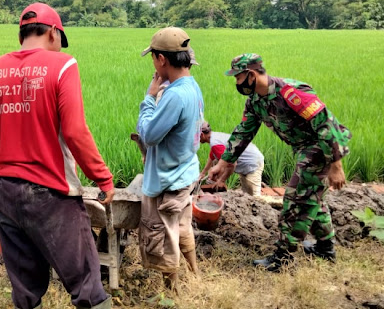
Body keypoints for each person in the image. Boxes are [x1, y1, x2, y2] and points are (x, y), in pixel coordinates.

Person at [0, 2, 136, 309]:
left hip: (7, 190)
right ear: (53, 33)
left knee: (23, 276)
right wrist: (103, 179)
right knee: (84, 273)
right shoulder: (63, 65)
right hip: (51, 192)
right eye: (60, 39)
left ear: (22, 34)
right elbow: (75, 131)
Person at [208, 53, 351, 271]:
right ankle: (325, 248)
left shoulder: (291, 93)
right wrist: (224, 162)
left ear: (251, 75)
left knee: (295, 200)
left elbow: (326, 124)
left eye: (238, 77)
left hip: (319, 146)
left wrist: (336, 165)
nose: (236, 83)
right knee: (312, 198)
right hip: (304, 148)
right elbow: (244, 131)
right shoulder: (255, 101)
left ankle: (283, 257)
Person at [137, 27, 204, 290]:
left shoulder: (174, 95)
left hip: (167, 180)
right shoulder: (192, 86)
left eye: (153, 58)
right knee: (183, 226)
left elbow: (149, 135)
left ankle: (171, 294)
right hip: (185, 173)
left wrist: (149, 98)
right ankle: (195, 274)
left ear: (162, 59)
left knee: (163, 237)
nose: (153, 65)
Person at [198, 121, 264, 197]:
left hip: (252, 162)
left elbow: (232, 164)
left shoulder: (215, 143)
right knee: (246, 193)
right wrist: (203, 172)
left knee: (255, 196)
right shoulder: (214, 138)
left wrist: (221, 180)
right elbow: (212, 155)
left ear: (202, 135)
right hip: (249, 160)